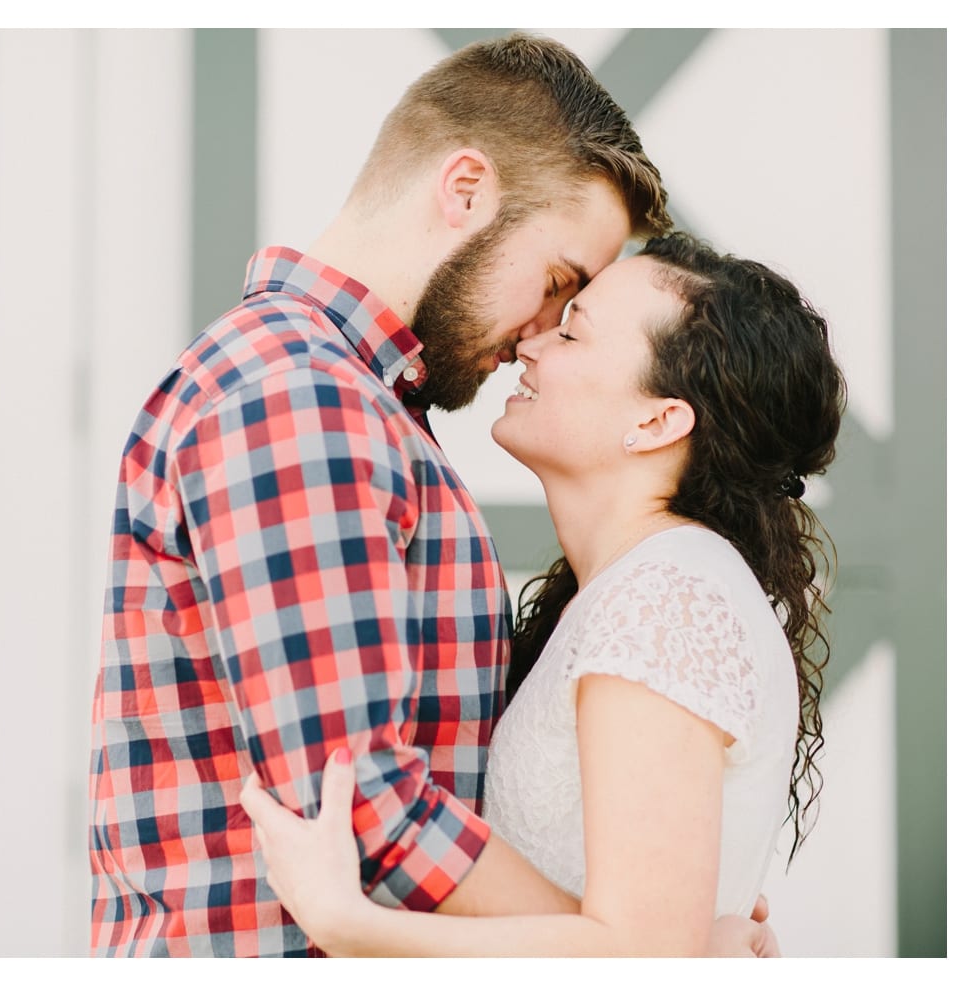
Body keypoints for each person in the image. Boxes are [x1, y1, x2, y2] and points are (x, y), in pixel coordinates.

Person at [87, 33, 681, 957]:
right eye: (558, 282)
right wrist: (645, 948)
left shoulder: (354, 400)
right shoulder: (298, 396)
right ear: (465, 189)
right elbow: (364, 808)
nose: (539, 334)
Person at [239, 232, 845, 957]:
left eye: (572, 331)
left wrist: (351, 926)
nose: (531, 345)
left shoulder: (667, 598)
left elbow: (644, 952)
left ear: (656, 421)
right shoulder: (633, 588)